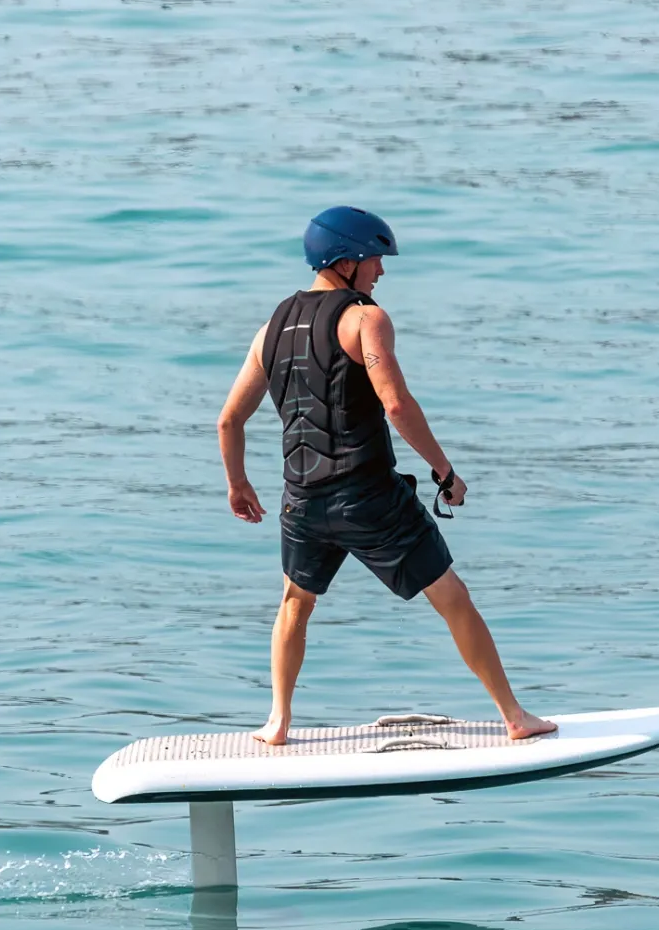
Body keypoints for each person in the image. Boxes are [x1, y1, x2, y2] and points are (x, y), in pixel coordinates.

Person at [216, 206, 557, 746]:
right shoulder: (365, 319)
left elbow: (229, 419)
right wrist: (444, 471)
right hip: (368, 495)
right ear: (345, 261)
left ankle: (277, 722)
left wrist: (237, 484)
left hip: (301, 502)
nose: (381, 270)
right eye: (375, 259)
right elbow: (395, 404)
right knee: (452, 596)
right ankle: (515, 716)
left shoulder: (269, 331)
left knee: (294, 603)